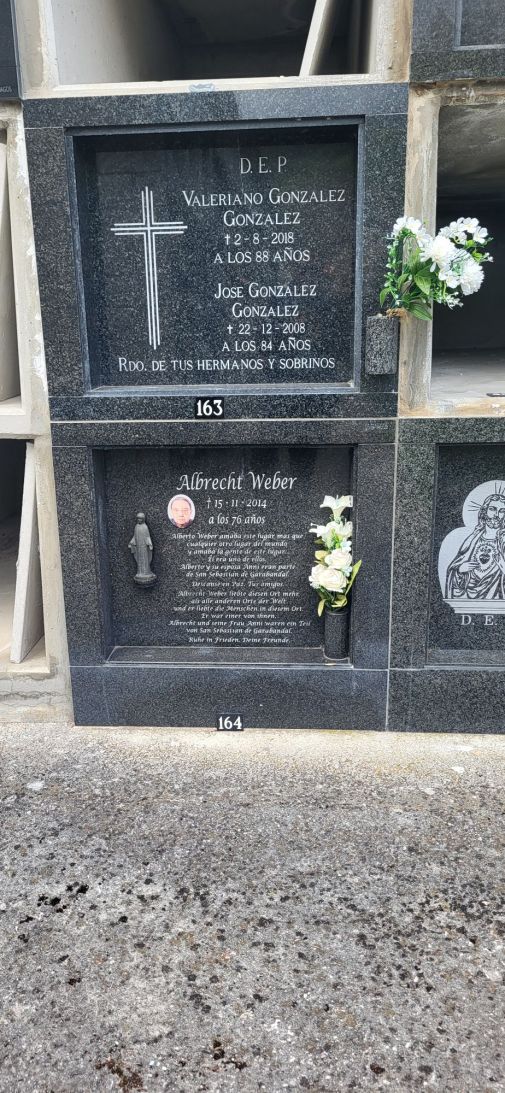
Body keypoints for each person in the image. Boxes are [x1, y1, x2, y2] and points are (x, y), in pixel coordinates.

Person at [446, 492, 505, 601]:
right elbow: (453, 570)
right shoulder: (472, 540)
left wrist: (503, 567)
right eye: (492, 509)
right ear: (484, 511)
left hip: (496, 598)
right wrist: (460, 569)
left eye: (502, 511)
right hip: (466, 597)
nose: (496, 514)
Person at [129, 512, 156, 586]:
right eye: (138, 519)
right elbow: (135, 536)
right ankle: (140, 572)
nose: (139, 520)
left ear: (143, 519)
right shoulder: (136, 527)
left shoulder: (145, 527)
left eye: (140, 519)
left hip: (144, 548)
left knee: (145, 559)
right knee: (139, 560)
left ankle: (146, 572)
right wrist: (131, 542)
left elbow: (147, 537)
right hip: (138, 547)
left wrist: (150, 544)